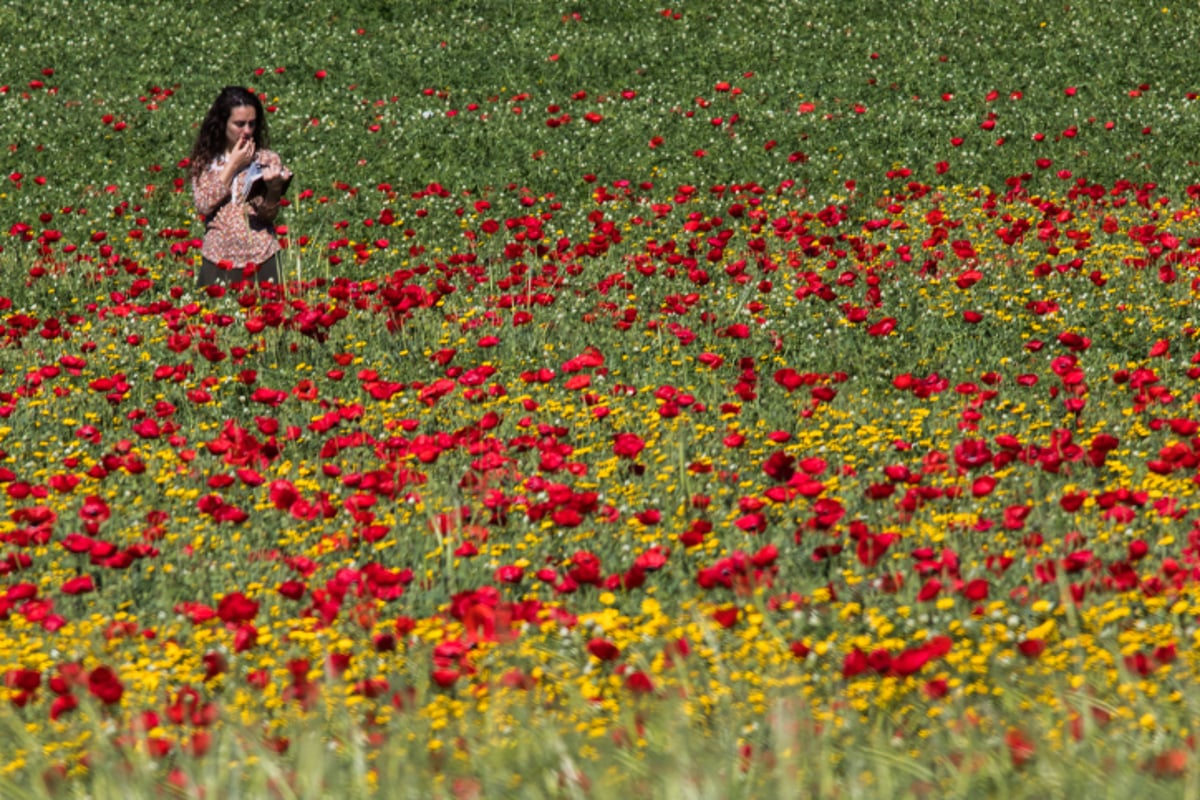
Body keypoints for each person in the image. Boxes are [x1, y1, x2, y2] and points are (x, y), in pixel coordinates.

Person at [189, 87, 291, 287]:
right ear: (222, 124)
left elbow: (267, 216)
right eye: (239, 124)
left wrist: (273, 190)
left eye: (252, 124)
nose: (247, 131)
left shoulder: (266, 159)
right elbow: (203, 204)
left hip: (262, 257)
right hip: (217, 258)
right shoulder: (206, 162)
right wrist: (233, 165)